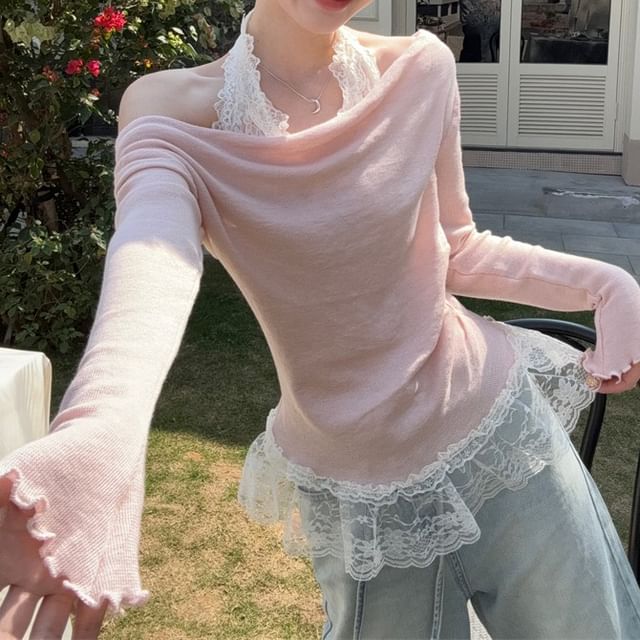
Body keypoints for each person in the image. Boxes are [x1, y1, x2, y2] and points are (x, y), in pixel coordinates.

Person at [2, 0, 640, 637]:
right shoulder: (170, 112)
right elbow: (151, 258)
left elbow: (458, 247)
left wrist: (606, 284)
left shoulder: (421, 69)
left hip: (502, 433)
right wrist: (103, 429)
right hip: (362, 497)